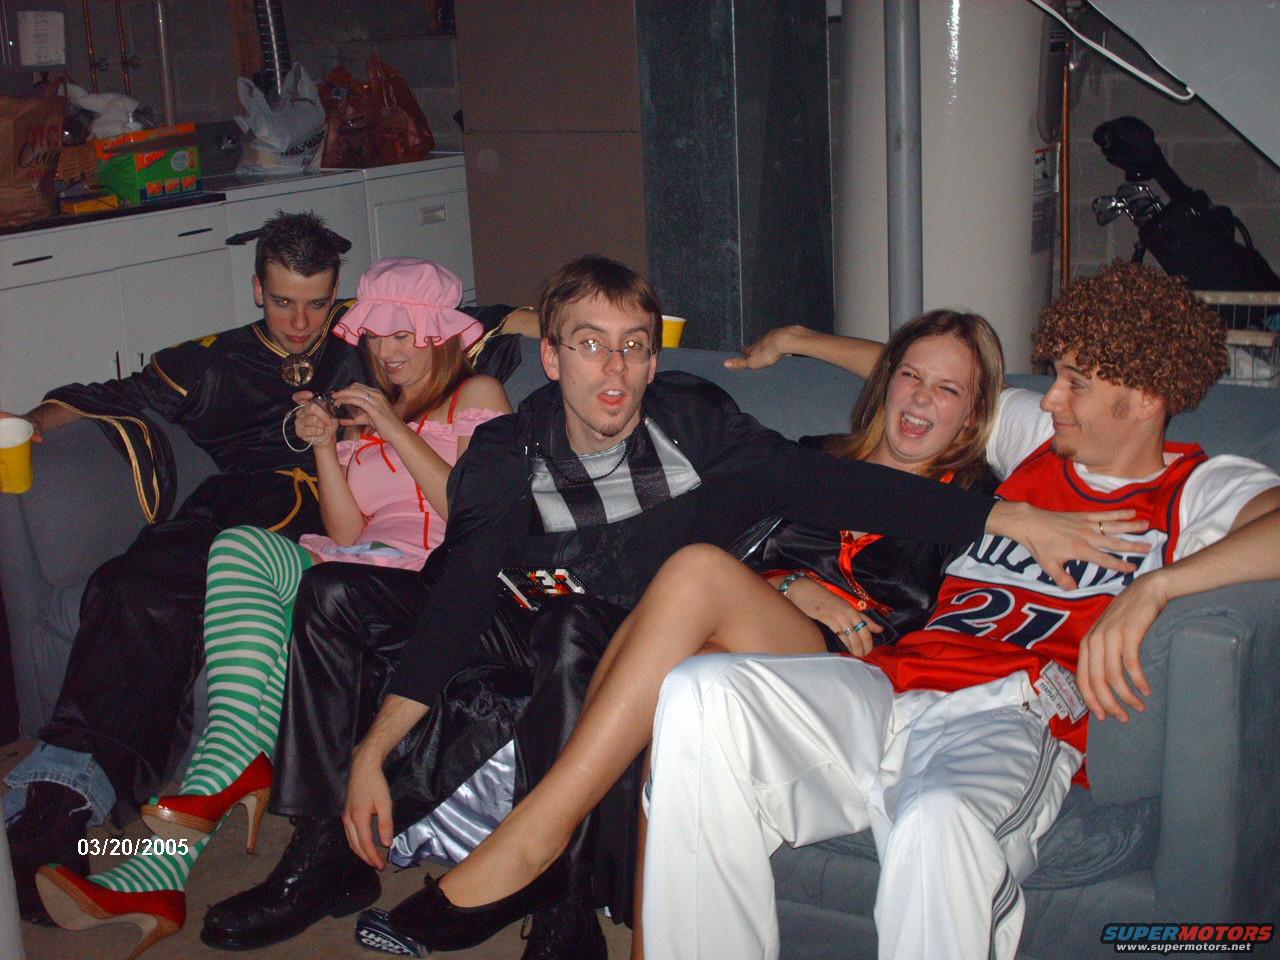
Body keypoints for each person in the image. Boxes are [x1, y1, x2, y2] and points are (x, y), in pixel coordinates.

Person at [199, 253, 1134, 958]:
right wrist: (371, 751)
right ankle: (323, 850)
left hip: (751, 650)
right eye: (589, 345)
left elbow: (866, 497)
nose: (615, 369)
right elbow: (459, 594)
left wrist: (1016, 517)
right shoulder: (503, 455)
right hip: (576, 611)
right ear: (550, 357)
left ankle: (549, 878)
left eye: (634, 347)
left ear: (654, 360)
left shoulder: (707, 428)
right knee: (335, 590)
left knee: (627, 601)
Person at [638, 260, 1280, 960]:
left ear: (1146, 396)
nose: (1050, 397)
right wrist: (800, 340)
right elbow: (916, 378)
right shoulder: (1037, 440)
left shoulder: (1198, 487)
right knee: (700, 693)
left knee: (939, 818)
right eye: (1055, 376)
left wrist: (1156, 588)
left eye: (1075, 383)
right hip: (887, 689)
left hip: (1011, 711)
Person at [348, 308, 1019, 959]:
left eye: (948, 390)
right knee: (667, 696)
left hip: (842, 676)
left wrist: (802, 339)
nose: (920, 399)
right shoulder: (812, 459)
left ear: (973, 414)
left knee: (695, 573)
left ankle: (534, 840)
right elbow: (729, 535)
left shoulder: (971, 509)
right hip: (733, 641)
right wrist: (786, 582)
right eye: (909, 377)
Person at [2, 216, 529, 926]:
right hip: (331, 554)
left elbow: (472, 508)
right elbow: (344, 531)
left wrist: (395, 422)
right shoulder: (301, 390)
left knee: (311, 590)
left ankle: (181, 832)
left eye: (405, 334)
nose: (387, 350)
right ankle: (131, 832)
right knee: (219, 554)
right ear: (258, 291)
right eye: (378, 336)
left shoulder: (465, 392)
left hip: (414, 574)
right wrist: (329, 445)